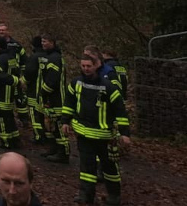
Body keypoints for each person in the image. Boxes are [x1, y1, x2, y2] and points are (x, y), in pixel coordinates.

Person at [62, 49, 129, 206]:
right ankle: (86, 195)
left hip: (105, 136)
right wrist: (65, 121)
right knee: (86, 168)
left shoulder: (108, 87)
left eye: (89, 66)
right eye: (83, 66)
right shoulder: (76, 83)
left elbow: (120, 110)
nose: (86, 69)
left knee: (109, 168)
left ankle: (114, 196)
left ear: (95, 66)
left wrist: (125, 133)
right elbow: (69, 103)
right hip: (83, 134)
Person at [38, 35, 68, 164]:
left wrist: (43, 92)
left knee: (58, 127)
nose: (43, 43)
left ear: (53, 42)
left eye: (46, 41)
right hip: (50, 98)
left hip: (57, 99)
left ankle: (63, 153)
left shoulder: (55, 58)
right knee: (51, 127)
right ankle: (54, 148)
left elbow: (52, 80)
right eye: (42, 41)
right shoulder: (50, 57)